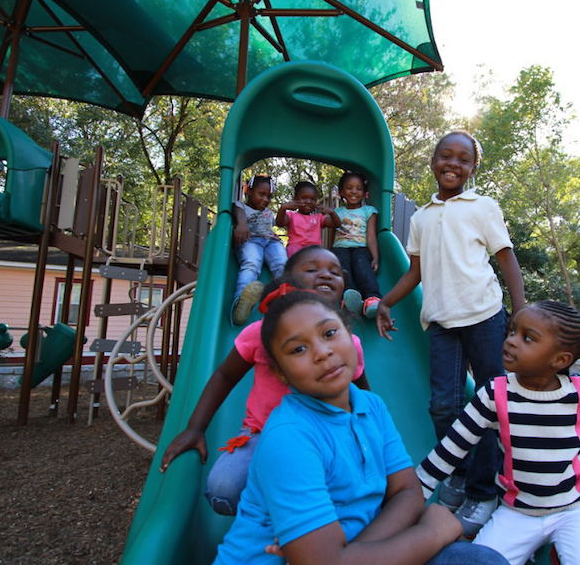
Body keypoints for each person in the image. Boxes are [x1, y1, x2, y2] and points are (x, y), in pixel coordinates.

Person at [213, 284, 509, 565]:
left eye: (329, 333)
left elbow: (408, 492)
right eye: (298, 350)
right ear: (279, 373)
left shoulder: (371, 406)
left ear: (350, 335)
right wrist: (433, 532)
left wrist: (346, 555)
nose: (321, 352)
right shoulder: (289, 437)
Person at [376, 130, 526, 537]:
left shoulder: (482, 206)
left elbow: (505, 257)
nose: (453, 164)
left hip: (484, 315)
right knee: (442, 405)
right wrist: (386, 301)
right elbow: (415, 271)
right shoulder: (422, 217)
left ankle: (483, 490)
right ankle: (458, 471)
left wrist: (522, 310)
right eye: (446, 156)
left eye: (463, 159)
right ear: (433, 161)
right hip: (442, 321)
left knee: (490, 406)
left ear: (473, 168)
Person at [160, 246, 369, 516]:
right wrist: (195, 427)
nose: (326, 275)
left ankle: (303, 513)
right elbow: (224, 375)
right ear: (287, 280)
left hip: (327, 434)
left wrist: (365, 432)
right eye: (313, 269)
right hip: (263, 434)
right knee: (224, 489)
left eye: (335, 272)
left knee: (349, 485)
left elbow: (362, 391)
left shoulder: (349, 344)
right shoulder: (261, 333)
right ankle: (289, 505)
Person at [417, 301, 580, 565]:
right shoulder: (496, 394)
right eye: (511, 332)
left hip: (575, 510)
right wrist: (415, 494)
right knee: (476, 561)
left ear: (559, 360)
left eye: (527, 338)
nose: (511, 341)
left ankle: (557, 550)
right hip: (517, 512)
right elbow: (452, 449)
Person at [231, 174, 287, 326]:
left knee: (282, 264)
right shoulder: (240, 206)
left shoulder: (268, 211)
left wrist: (285, 209)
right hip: (251, 240)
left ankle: (284, 298)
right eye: (261, 194)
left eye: (269, 196)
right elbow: (239, 213)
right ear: (248, 191)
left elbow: (281, 223)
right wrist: (241, 224)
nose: (265, 199)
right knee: (252, 262)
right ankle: (240, 301)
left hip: (271, 241)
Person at [330, 170, 382, 319]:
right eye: (349, 188)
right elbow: (333, 235)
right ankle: (348, 297)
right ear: (341, 192)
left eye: (359, 188)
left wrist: (375, 257)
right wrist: (328, 253)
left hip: (361, 248)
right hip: (340, 247)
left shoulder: (368, 211)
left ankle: (372, 299)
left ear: (365, 192)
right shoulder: (337, 212)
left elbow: (371, 236)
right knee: (341, 265)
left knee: (361, 263)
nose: (354, 192)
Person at [276, 181, 341, 257]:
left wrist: (332, 213)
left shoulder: (318, 217)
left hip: (315, 248)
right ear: (295, 199)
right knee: (293, 251)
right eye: (304, 198)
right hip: (296, 247)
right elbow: (280, 223)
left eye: (313, 199)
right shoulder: (291, 215)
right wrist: (282, 209)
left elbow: (336, 224)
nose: (308, 202)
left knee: (324, 255)